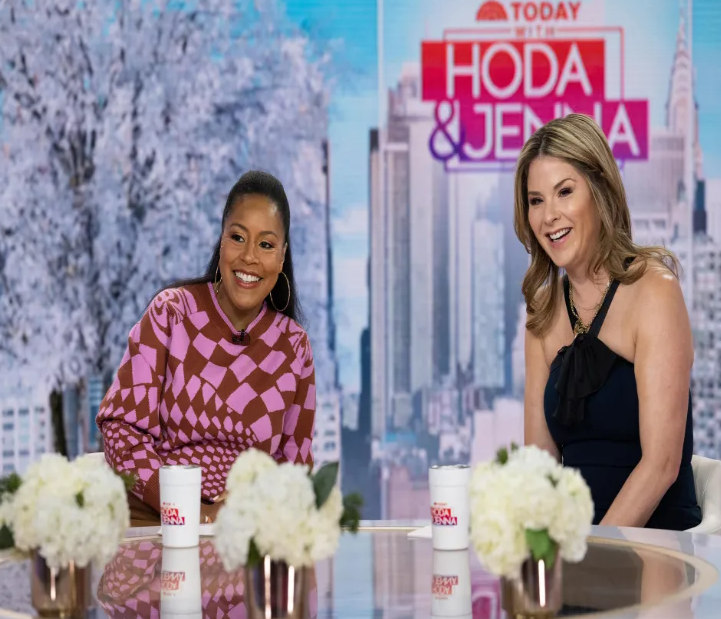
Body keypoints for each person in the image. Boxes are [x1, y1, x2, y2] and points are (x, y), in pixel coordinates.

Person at [96, 170, 316, 524]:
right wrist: (189, 510)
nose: (249, 257)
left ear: (282, 256)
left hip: (246, 531)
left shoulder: (293, 347)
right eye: (238, 237)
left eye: (266, 244)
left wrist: (249, 506)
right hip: (159, 519)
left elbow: (296, 470)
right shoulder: (171, 313)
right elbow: (121, 430)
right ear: (221, 241)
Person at [515, 114, 702, 530]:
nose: (549, 216)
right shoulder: (542, 313)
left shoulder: (655, 291)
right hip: (577, 545)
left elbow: (661, 465)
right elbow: (539, 468)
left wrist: (596, 551)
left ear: (600, 190)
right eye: (536, 200)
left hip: (657, 542)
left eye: (565, 192)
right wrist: (543, 550)